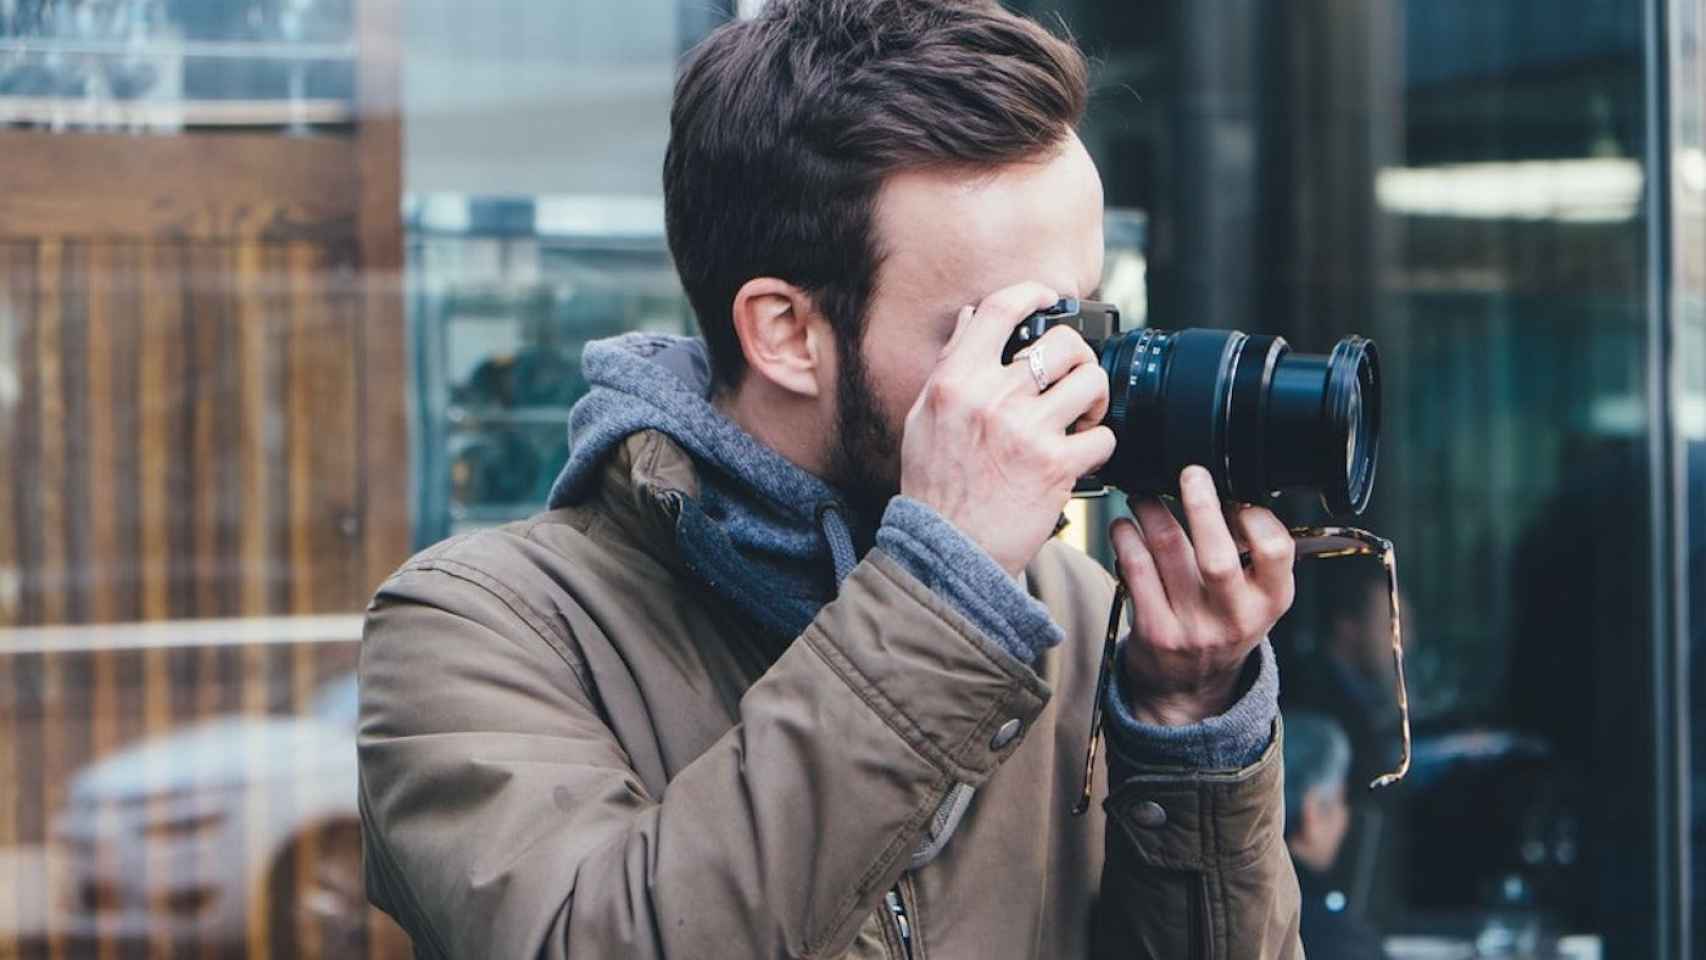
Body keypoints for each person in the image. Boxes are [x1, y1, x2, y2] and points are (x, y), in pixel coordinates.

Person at [356, 1, 1303, 956]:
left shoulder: (1070, 611)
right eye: (1014, 335)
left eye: (1089, 319)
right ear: (786, 334)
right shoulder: (477, 629)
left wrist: (1188, 725)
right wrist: (943, 598)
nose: (1076, 379)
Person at [1284, 711, 1390, 960]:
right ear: (1313, 813)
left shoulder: (1229, 906)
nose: (1345, 819)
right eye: (1341, 801)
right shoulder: (1338, 940)